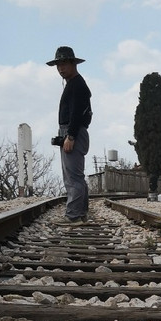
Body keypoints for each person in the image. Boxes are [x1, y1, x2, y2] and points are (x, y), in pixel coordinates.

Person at [47, 46, 92, 222]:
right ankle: (80, 213)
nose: (60, 68)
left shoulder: (77, 85)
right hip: (72, 131)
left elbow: (77, 113)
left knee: (73, 178)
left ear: (73, 63)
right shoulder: (75, 84)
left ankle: (74, 216)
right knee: (76, 176)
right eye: (58, 65)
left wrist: (70, 136)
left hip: (72, 131)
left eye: (64, 63)